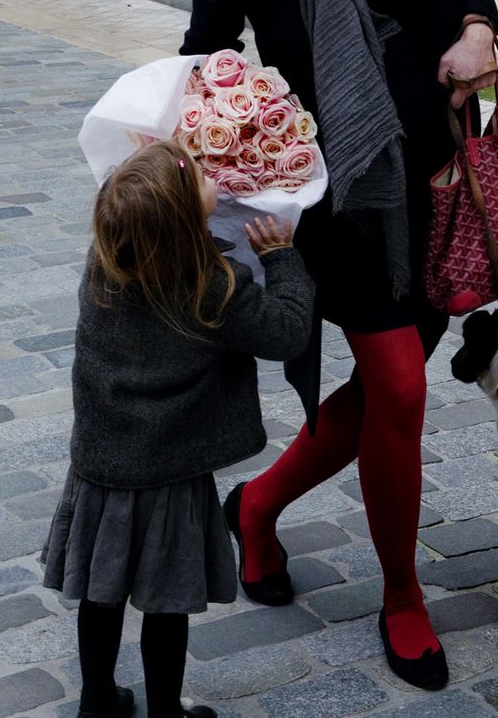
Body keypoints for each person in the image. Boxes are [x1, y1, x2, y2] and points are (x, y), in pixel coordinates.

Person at [180, 0, 498, 692]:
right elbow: (206, 51)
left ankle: (260, 507)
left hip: (433, 171)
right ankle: (403, 595)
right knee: (400, 384)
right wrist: (203, 141)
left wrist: (481, 29)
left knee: (384, 388)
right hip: (332, 188)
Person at [41, 140, 314, 718]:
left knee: (101, 590)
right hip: (170, 469)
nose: (211, 176)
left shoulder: (108, 256)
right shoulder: (211, 287)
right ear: (188, 220)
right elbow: (287, 331)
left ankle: (96, 703)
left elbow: (141, 202)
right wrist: (283, 258)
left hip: (103, 465)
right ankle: (166, 710)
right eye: (199, 180)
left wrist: (160, 167)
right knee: (167, 602)